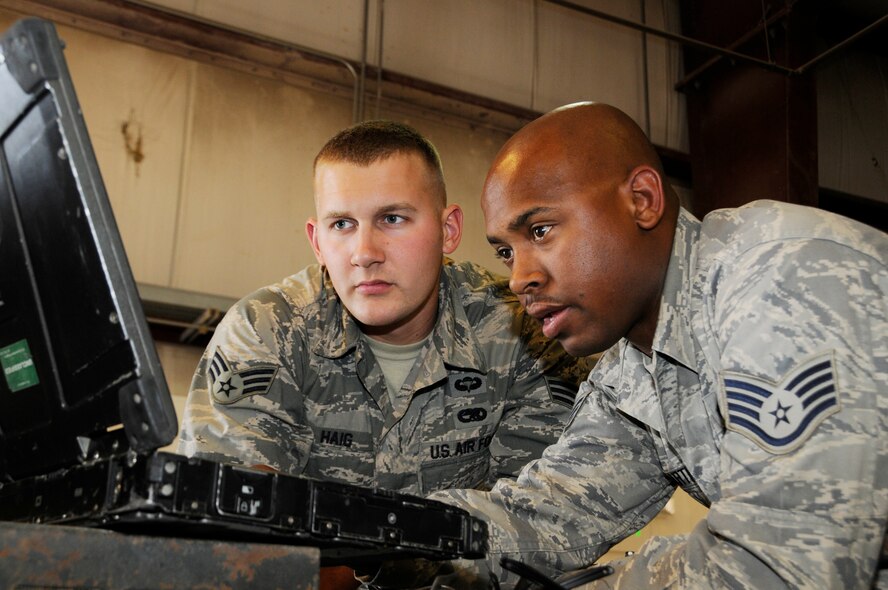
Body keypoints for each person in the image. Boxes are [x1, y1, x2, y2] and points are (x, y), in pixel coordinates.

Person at [427, 102, 887, 588]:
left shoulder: (780, 279)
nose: (519, 278)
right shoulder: (632, 372)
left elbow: (778, 564)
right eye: (506, 252)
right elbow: (552, 516)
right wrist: (402, 534)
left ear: (643, 200)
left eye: (540, 230)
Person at [177, 120, 593, 498]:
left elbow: (543, 510)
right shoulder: (267, 329)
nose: (364, 254)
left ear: (448, 230)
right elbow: (228, 505)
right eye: (342, 224)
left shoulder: (522, 330)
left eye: (392, 219)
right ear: (317, 242)